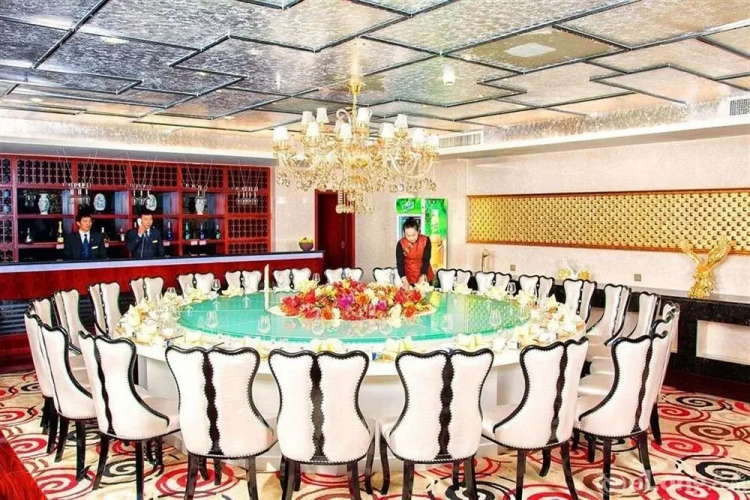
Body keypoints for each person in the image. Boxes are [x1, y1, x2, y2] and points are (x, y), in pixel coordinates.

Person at [396, 217, 434, 286]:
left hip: (425, 273)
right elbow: (400, 263)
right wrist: (404, 280)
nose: (411, 238)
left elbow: (426, 259)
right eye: (408, 235)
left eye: (413, 235)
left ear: (418, 231)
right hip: (409, 275)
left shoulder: (426, 240)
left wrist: (423, 275)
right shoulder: (400, 243)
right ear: (404, 233)